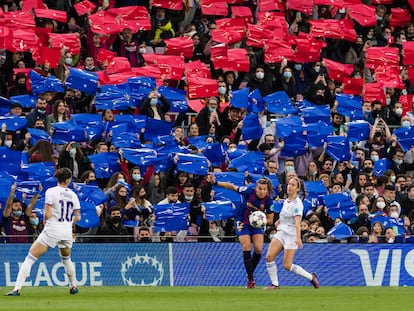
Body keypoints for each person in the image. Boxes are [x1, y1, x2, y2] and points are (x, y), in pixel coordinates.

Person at [5, 168, 81, 296]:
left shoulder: (51, 192)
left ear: (58, 178)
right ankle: (73, 286)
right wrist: (68, 222)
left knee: (30, 258)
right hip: (67, 232)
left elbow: (47, 212)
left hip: (52, 230)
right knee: (66, 258)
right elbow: (78, 217)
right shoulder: (73, 195)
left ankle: (17, 289)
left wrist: (45, 220)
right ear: (68, 180)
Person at [212, 175, 274, 288]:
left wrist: (261, 218)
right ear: (256, 188)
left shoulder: (269, 201)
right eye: (260, 188)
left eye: (264, 189)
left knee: (259, 249)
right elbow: (232, 186)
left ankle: (249, 273)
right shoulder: (248, 191)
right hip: (242, 221)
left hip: (256, 224)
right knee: (246, 246)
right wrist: (216, 182)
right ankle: (251, 280)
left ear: (267, 190)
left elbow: (270, 220)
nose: (262, 191)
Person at [264, 177, 320, 289]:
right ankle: (275, 284)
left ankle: (311, 277)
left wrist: (298, 238)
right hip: (281, 232)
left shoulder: (298, 204)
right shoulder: (286, 201)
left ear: (297, 189)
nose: (289, 186)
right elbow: (284, 215)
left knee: (287, 265)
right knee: (269, 256)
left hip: (291, 235)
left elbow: (297, 222)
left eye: (293, 185)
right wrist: (278, 222)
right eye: (289, 184)